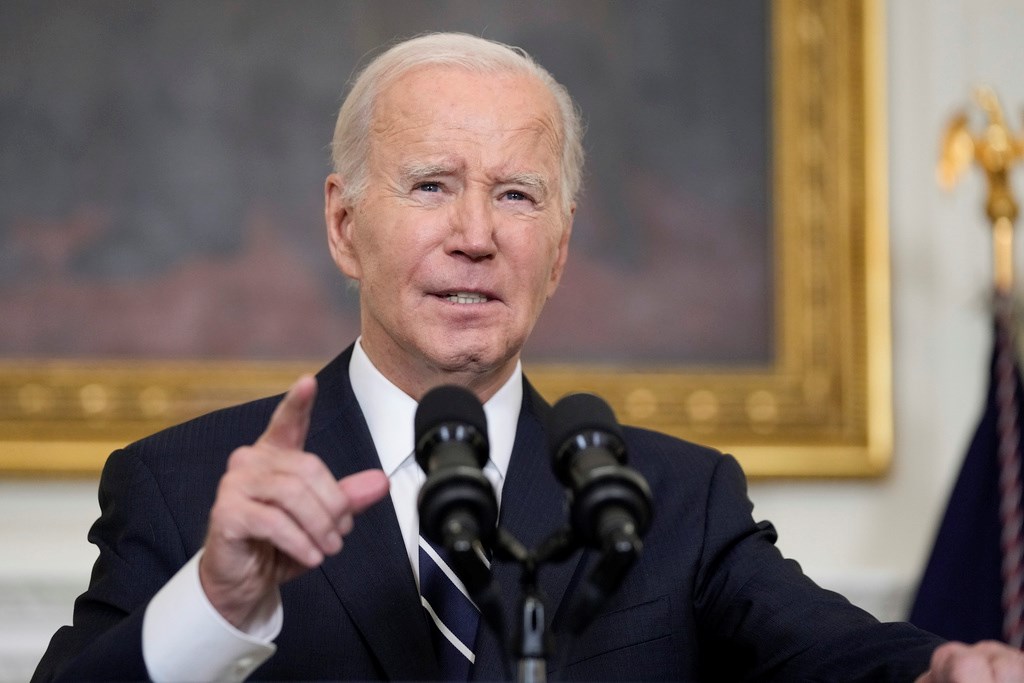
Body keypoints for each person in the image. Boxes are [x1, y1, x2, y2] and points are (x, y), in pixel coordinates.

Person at [32, 32, 1024, 682]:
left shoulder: (669, 496)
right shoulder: (187, 486)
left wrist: (935, 670)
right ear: (342, 226)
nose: (475, 234)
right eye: (430, 186)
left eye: (516, 195)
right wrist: (215, 602)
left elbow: (825, 647)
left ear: (559, 245)